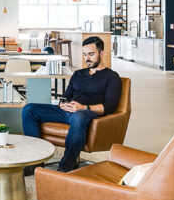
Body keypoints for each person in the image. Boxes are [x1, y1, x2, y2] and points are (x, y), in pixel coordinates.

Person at [22, 36, 122, 173]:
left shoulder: (112, 77)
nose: (87, 58)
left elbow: (110, 106)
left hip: (87, 113)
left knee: (78, 116)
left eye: (91, 54)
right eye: (85, 54)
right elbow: (66, 95)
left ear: (102, 53)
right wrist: (63, 103)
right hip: (66, 111)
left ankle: (65, 166)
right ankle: (35, 161)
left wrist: (83, 108)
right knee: (29, 109)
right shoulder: (78, 74)